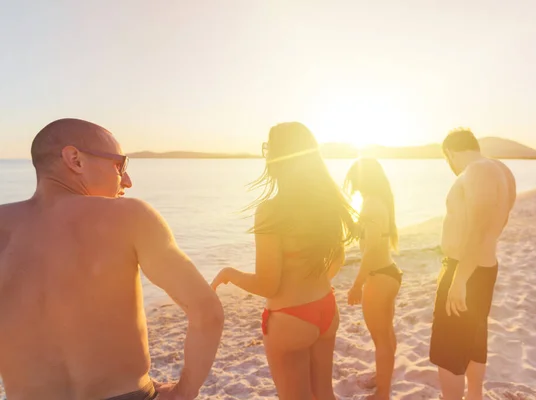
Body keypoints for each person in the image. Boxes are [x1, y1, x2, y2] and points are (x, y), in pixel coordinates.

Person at [0, 118, 224, 400]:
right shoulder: (130, 215)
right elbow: (207, 311)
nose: (127, 181)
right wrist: (184, 391)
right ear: (75, 160)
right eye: (120, 165)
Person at [211, 122, 355, 400]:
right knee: (324, 394)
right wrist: (312, 283)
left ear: (276, 157)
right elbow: (338, 258)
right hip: (325, 307)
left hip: (291, 320)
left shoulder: (271, 211)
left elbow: (268, 285)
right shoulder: (327, 203)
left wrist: (230, 274)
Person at [429, 128, 516, 400]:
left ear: (451, 153)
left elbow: (478, 227)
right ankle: (474, 396)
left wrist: (459, 279)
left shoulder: (477, 171)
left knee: (449, 350)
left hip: (467, 270)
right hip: (482, 266)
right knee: (475, 337)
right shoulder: (502, 170)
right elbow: (497, 224)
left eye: (447, 160)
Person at [344, 158, 402, 400]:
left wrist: (357, 285)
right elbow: (367, 237)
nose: (353, 187)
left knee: (381, 339)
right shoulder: (377, 202)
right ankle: (382, 379)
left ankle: (383, 394)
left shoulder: (373, 205)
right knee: (386, 334)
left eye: (353, 182)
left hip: (379, 278)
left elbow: (370, 250)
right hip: (388, 274)